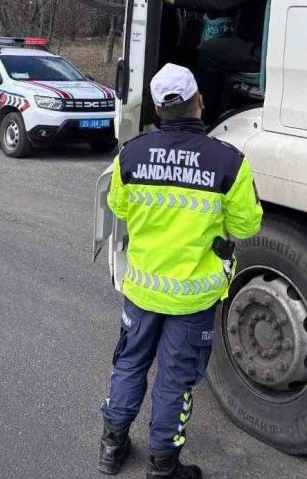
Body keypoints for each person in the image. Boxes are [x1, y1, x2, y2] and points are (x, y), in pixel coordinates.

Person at [98, 63, 263, 479]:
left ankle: (111, 447)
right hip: (194, 297)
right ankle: (162, 465)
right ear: (200, 103)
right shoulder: (229, 163)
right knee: (176, 380)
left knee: (130, 364)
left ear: (156, 109)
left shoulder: (130, 155)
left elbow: (118, 208)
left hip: (142, 290)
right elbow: (247, 225)